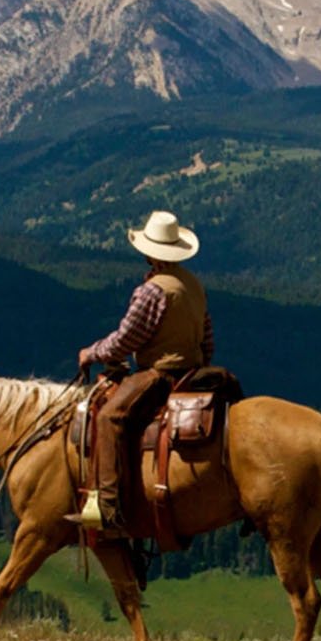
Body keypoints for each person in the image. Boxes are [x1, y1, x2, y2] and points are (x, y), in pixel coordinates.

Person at [71, 209, 214, 532]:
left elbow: (125, 340)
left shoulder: (152, 291)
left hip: (161, 373)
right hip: (194, 370)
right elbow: (207, 338)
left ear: (150, 253)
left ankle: (108, 506)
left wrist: (90, 353)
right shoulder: (193, 285)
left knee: (109, 418)